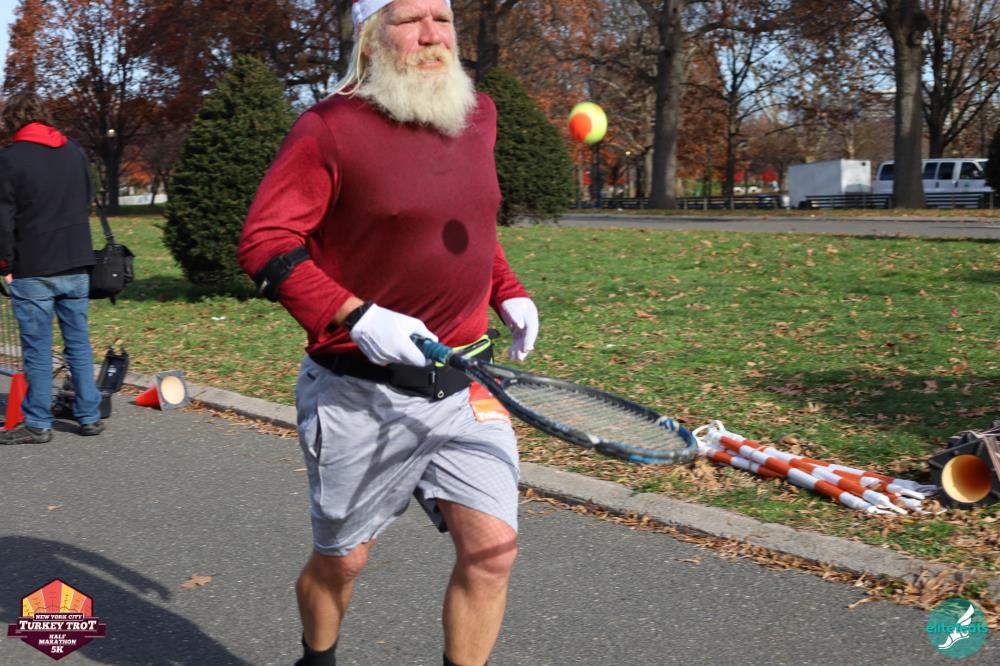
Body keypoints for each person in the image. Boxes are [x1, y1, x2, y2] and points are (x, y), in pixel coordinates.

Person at [237, 1, 539, 664]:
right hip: (359, 395)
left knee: (493, 553)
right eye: (410, 20)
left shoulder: (477, 115)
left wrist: (508, 291)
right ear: (371, 37)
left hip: (465, 387)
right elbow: (264, 241)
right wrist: (356, 313)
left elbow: (469, 225)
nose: (432, 35)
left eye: (443, 18)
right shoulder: (328, 128)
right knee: (343, 562)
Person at [0, 91, 105, 445]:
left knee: (37, 349)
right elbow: (87, 196)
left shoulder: (9, 159)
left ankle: (38, 422)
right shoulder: (74, 150)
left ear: (12, 121)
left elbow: (3, 219)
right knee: (79, 343)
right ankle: (89, 416)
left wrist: (5, 263)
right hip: (76, 259)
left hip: (33, 264)